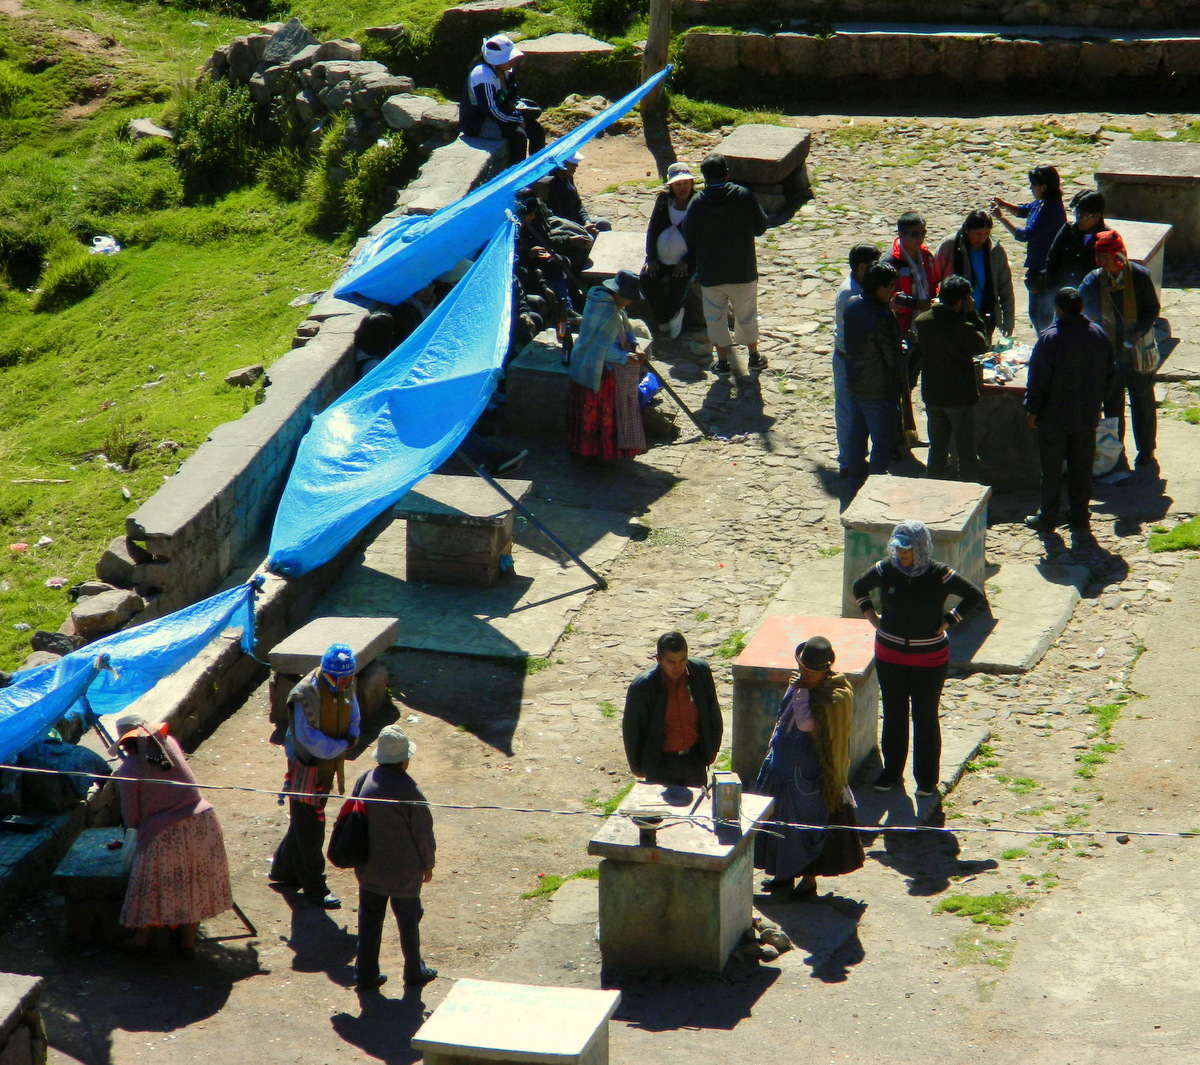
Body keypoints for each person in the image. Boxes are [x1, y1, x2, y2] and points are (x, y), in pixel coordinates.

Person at [852, 521, 985, 796]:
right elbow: (859, 586)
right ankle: (891, 774)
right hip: (890, 657)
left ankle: (926, 780)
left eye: (908, 549)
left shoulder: (939, 573)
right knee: (894, 715)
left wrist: (950, 620)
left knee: (925, 717)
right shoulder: (886, 569)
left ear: (921, 548)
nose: (902, 554)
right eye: (899, 549)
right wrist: (872, 618)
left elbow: (973, 595)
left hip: (929, 660)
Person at [112, 712, 233, 957]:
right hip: (202, 821)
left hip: (165, 833)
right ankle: (187, 944)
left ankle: (141, 939)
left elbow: (132, 819)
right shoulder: (170, 746)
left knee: (152, 885)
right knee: (195, 881)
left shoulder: (128, 769)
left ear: (125, 743)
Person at [751, 637, 864, 899]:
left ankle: (808, 882)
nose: (805, 675)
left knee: (805, 829)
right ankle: (783, 877)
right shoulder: (798, 685)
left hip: (809, 780)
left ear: (825, 670)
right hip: (781, 771)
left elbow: (806, 724)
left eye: (811, 672)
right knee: (779, 826)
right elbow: (783, 716)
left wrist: (801, 693)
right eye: (803, 669)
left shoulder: (834, 696)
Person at [271, 643, 361, 909]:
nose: (347, 683)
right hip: (306, 768)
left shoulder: (346, 685)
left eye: (349, 677)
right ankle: (314, 886)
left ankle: (283, 871)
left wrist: (351, 735)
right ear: (330, 675)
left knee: (303, 823)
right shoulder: (305, 695)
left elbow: (353, 713)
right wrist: (342, 745)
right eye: (343, 679)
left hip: (327, 765)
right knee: (311, 829)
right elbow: (309, 738)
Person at [351, 724, 438, 993]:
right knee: (409, 921)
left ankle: (365, 974)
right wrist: (428, 865)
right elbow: (423, 834)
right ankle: (414, 970)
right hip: (403, 872)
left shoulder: (365, 780)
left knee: (369, 922)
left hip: (369, 868)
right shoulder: (410, 791)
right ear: (404, 760)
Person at [1023, 286, 1115, 536]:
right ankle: (1079, 517)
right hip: (1086, 416)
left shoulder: (1050, 339)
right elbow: (1111, 375)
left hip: (1054, 418)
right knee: (1081, 469)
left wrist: (1033, 409)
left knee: (1051, 471)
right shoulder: (1098, 335)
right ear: (1081, 308)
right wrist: (1098, 401)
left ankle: (1047, 518)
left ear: (1058, 310)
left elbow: (1038, 379)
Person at [1080, 229, 1161, 475]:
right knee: (1112, 405)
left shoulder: (1139, 276)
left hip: (1137, 351)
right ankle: (1117, 453)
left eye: (1105, 257)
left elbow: (1152, 309)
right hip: (1109, 354)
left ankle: (1146, 451)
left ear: (1118, 256)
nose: (1101, 262)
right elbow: (1081, 308)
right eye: (1099, 257)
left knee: (1143, 402)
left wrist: (1139, 331)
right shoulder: (1093, 280)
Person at [681, 152, 769, 377]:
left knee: (715, 317)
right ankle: (754, 356)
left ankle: (722, 361)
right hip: (742, 269)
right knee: (746, 314)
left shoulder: (697, 202)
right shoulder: (744, 195)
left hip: (711, 272)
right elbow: (760, 227)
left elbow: (688, 235)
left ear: (704, 177)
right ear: (727, 173)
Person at [913, 275, 989, 482]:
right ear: (962, 301)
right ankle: (968, 490)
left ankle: (933, 484)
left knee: (937, 448)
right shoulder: (962, 327)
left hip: (933, 394)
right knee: (966, 451)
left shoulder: (923, 321)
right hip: (959, 398)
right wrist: (972, 314)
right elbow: (982, 344)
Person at [622, 631, 723, 788]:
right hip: (661, 763)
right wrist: (637, 766)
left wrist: (712, 748)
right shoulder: (643, 687)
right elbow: (632, 728)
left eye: (682, 660)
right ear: (658, 659)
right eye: (671, 662)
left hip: (694, 759)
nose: (678, 667)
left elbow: (712, 712)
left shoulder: (700, 673)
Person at [566, 270, 646, 461]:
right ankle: (594, 454)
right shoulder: (605, 311)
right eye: (628, 298)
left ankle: (599, 452)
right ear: (617, 294)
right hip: (596, 369)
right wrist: (625, 357)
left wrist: (635, 345)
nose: (629, 302)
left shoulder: (609, 305)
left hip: (598, 365)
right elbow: (601, 348)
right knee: (599, 414)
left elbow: (626, 326)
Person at [842, 261, 904, 487]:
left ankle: (854, 480)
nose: (893, 291)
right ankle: (874, 487)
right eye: (890, 287)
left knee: (857, 436)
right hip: (879, 389)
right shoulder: (882, 317)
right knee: (882, 441)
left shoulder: (852, 304)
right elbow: (892, 357)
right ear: (880, 290)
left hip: (856, 382)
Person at [991, 164, 1067, 333]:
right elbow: (1023, 210)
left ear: (1044, 187)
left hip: (1046, 272)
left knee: (1041, 315)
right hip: (1037, 269)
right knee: (1035, 313)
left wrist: (1001, 218)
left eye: (1034, 184)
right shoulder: (1042, 203)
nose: (1031, 188)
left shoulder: (1052, 211)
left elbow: (1024, 234)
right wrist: (1004, 205)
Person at [833, 244, 881, 481]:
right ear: (862, 267)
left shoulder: (862, 287)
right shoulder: (849, 294)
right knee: (847, 413)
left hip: (857, 358)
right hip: (848, 360)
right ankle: (848, 462)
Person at [458, 35, 544, 164]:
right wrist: (517, 119)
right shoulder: (483, 75)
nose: (512, 60)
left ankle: (537, 168)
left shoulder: (506, 71)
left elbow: (512, 96)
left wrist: (518, 109)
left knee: (537, 130)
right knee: (519, 136)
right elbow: (491, 111)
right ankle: (515, 174)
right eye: (508, 58)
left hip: (501, 116)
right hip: (479, 122)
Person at [934, 210, 1015, 341]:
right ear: (967, 230)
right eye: (977, 234)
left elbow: (1005, 287)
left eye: (986, 233)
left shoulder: (995, 250)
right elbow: (934, 276)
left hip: (985, 314)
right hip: (953, 314)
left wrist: (1008, 320)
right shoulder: (949, 245)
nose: (981, 238)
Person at [640, 161, 697, 338]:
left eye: (685, 183)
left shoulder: (697, 203)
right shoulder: (663, 201)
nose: (682, 188)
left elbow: (702, 238)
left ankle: (674, 315)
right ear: (671, 186)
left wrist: (687, 261)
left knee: (677, 285)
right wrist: (651, 258)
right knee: (646, 279)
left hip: (685, 263)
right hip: (661, 260)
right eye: (678, 184)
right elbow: (653, 229)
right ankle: (666, 317)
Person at [887, 212, 940, 339]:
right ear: (901, 234)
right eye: (915, 234)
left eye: (923, 233)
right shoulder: (891, 262)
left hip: (926, 320)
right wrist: (916, 304)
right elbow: (886, 299)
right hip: (902, 324)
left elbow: (934, 282)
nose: (920, 238)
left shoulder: (926, 256)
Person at [1044, 190, 1108, 292]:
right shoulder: (1068, 230)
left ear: (1097, 216)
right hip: (1063, 293)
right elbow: (1052, 260)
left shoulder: (1107, 238)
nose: (1078, 219)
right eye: (1076, 214)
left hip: (1091, 296)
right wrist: (1053, 291)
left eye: (1083, 216)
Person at [545, 152, 610, 234]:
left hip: (578, 222)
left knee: (603, 223)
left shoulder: (567, 178)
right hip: (565, 227)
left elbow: (578, 204)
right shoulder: (550, 185)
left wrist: (586, 221)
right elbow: (558, 218)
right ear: (563, 165)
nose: (576, 166)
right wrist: (581, 230)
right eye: (573, 165)